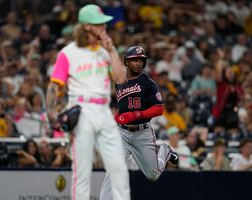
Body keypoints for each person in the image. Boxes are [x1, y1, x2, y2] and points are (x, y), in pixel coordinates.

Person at [46, 4, 130, 200]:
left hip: (103, 110)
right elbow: (53, 87)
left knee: (119, 169)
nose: (104, 27)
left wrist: (112, 51)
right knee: (82, 172)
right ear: (86, 26)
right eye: (98, 24)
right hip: (81, 110)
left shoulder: (105, 51)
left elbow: (120, 80)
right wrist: (51, 115)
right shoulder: (68, 52)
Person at [100, 46, 178, 200]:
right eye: (134, 60)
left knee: (152, 175)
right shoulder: (119, 79)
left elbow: (159, 109)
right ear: (126, 62)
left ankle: (165, 151)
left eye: (141, 60)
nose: (138, 63)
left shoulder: (148, 82)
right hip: (122, 133)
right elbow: (123, 105)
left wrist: (136, 115)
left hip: (142, 133)